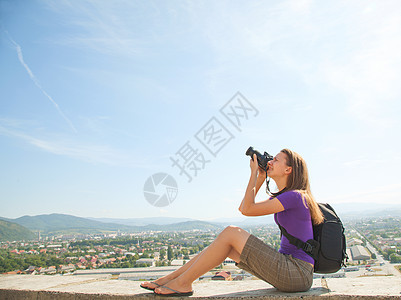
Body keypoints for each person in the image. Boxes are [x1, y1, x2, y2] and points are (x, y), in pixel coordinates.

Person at [140, 148, 323, 296]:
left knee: (231, 232)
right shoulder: (287, 196)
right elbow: (244, 207)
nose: (270, 162)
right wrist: (260, 176)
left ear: (288, 169)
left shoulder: (296, 196)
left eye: (275, 159)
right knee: (228, 247)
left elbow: (247, 209)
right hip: (291, 270)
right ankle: (170, 279)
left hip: (296, 272)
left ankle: (182, 283)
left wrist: (253, 174)